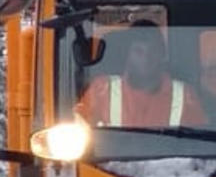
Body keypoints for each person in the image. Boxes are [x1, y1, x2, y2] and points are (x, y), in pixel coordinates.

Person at [77, 20, 206, 129]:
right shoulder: (102, 89)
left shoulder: (185, 95)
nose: (146, 58)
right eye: (138, 51)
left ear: (162, 55)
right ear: (127, 54)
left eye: (153, 51)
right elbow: (77, 132)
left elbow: (199, 144)